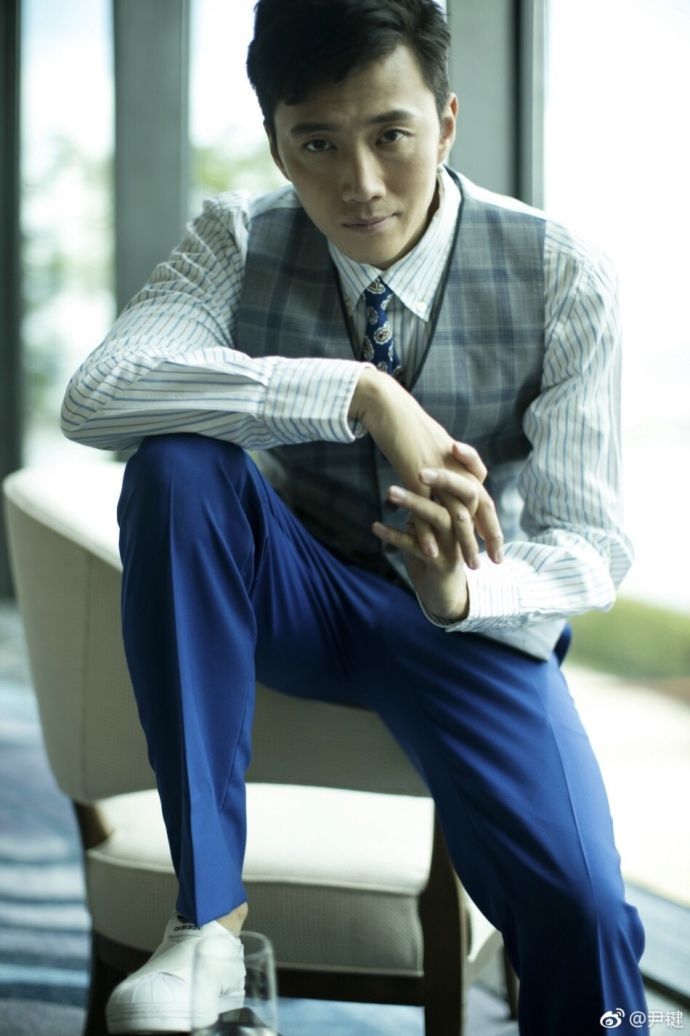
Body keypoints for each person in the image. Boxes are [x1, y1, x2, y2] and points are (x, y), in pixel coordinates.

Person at [61, 1, 649, 1032]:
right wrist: (363, 394)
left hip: (472, 624)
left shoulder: (562, 272)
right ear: (277, 146)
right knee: (178, 466)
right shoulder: (237, 239)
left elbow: (592, 546)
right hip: (297, 594)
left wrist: (465, 590)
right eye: (319, 144)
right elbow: (97, 396)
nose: (361, 182)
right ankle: (207, 926)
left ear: (448, 122)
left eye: (390, 135)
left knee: (586, 912)